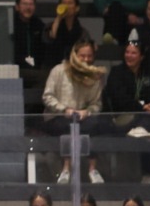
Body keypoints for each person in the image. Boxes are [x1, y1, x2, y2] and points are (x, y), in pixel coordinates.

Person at [43, 39, 106, 184]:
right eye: (82, 55)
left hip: (82, 118)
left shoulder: (95, 76)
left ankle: (92, 169)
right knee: (68, 126)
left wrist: (87, 111)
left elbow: (96, 104)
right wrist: (64, 109)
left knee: (95, 126)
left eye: (89, 56)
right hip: (57, 116)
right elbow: (47, 96)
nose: (86, 59)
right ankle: (66, 169)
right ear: (74, 54)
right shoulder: (58, 70)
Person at [9, 0, 56, 86]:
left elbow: (45, 48)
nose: (28, 8)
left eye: (31, 4)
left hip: (35, 69)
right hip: (15, 69)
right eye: (25, 4)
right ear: (17, 7)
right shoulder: (9, 24)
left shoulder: (38, 24)